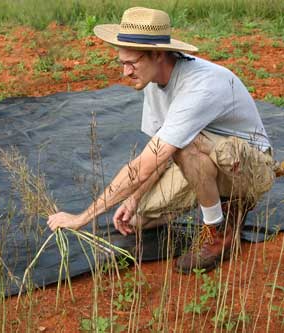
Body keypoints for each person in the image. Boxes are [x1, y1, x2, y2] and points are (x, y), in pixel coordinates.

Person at [47, 7, 276, 273]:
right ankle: (224, 202)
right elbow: (157, 153)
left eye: (132, 63)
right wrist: (134, 200)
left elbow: (145, 163)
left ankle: (218, 232)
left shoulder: (200, 86)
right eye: (122, 63)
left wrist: (82, 218)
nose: (125, 72)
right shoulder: (154, 81)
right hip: (207, 161)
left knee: (188, 145)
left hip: (248, 167)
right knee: (136, 219)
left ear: (158, 54)